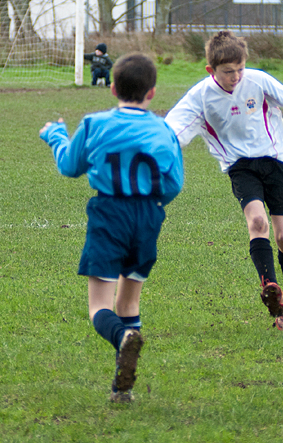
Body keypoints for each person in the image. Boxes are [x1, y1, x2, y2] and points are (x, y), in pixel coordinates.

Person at [164, 30, 283, 332]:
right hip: (240, 166)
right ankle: (269, 287)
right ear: (211, 70)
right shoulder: (201, 96)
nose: (236, 76)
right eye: (228, 71)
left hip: (274, 160)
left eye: (240, 68)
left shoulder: (258, 81)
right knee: (257, 223)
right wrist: (149, 151)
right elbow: (173, 127)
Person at [39, 53, 184, 403]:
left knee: (99, 307)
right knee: (129, 299)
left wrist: (56, 135)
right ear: (152, 92)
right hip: (148, 216)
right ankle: (122, 389)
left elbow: (69, 167)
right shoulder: (164, 128)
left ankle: (121, 339)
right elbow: (174, 183)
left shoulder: (94, 124)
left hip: (110, 214)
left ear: (113, 87)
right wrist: (151, 204)